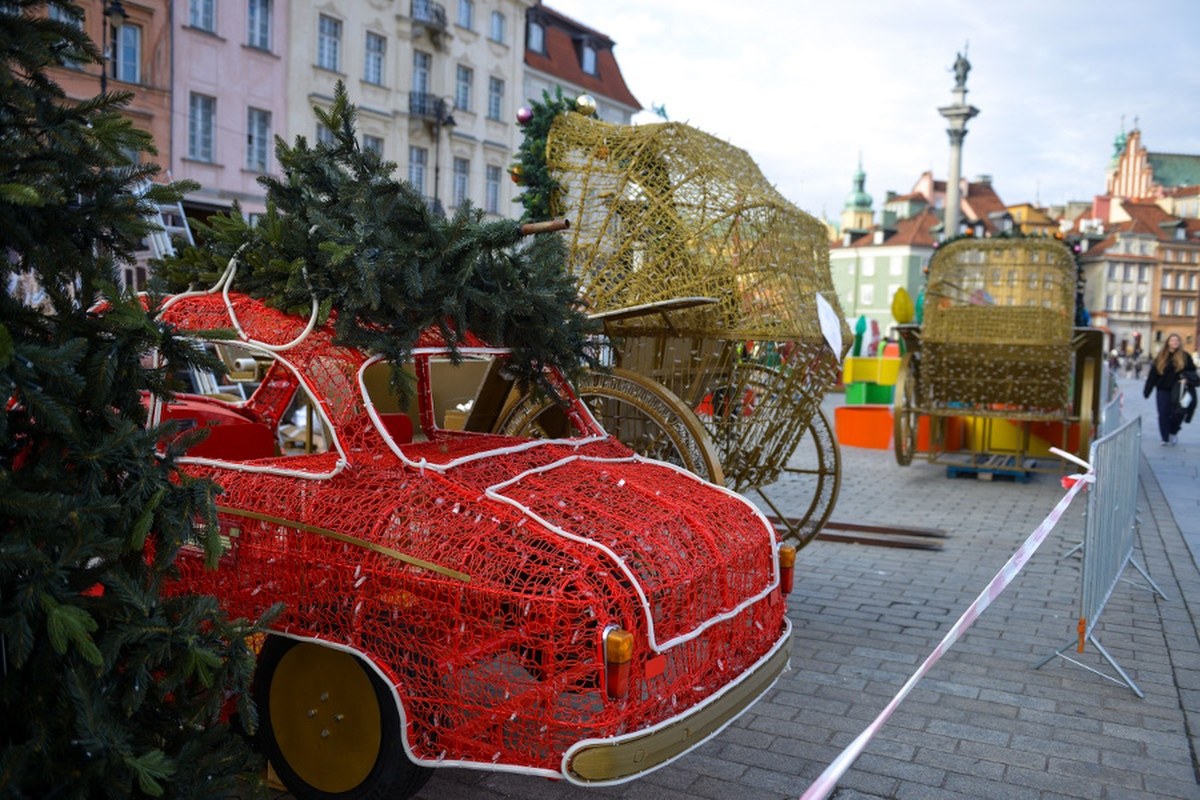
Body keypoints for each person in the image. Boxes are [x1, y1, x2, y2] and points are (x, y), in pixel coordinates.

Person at [1143, 333, 1199, 445]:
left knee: (1178, 413)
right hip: (1163, 389)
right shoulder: (1161, 357)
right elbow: (1153, 375)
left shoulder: (1185, 356)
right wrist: (1147, 391)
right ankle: (1164, 438)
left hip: (1179, 390)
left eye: (1177, 341)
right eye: (1172, 340)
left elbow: (1192, 372)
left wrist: (1187, 380)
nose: (1175, 342)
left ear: (1179, 343)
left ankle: (1173, 431)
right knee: (1163, 414)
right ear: (1168, 342)